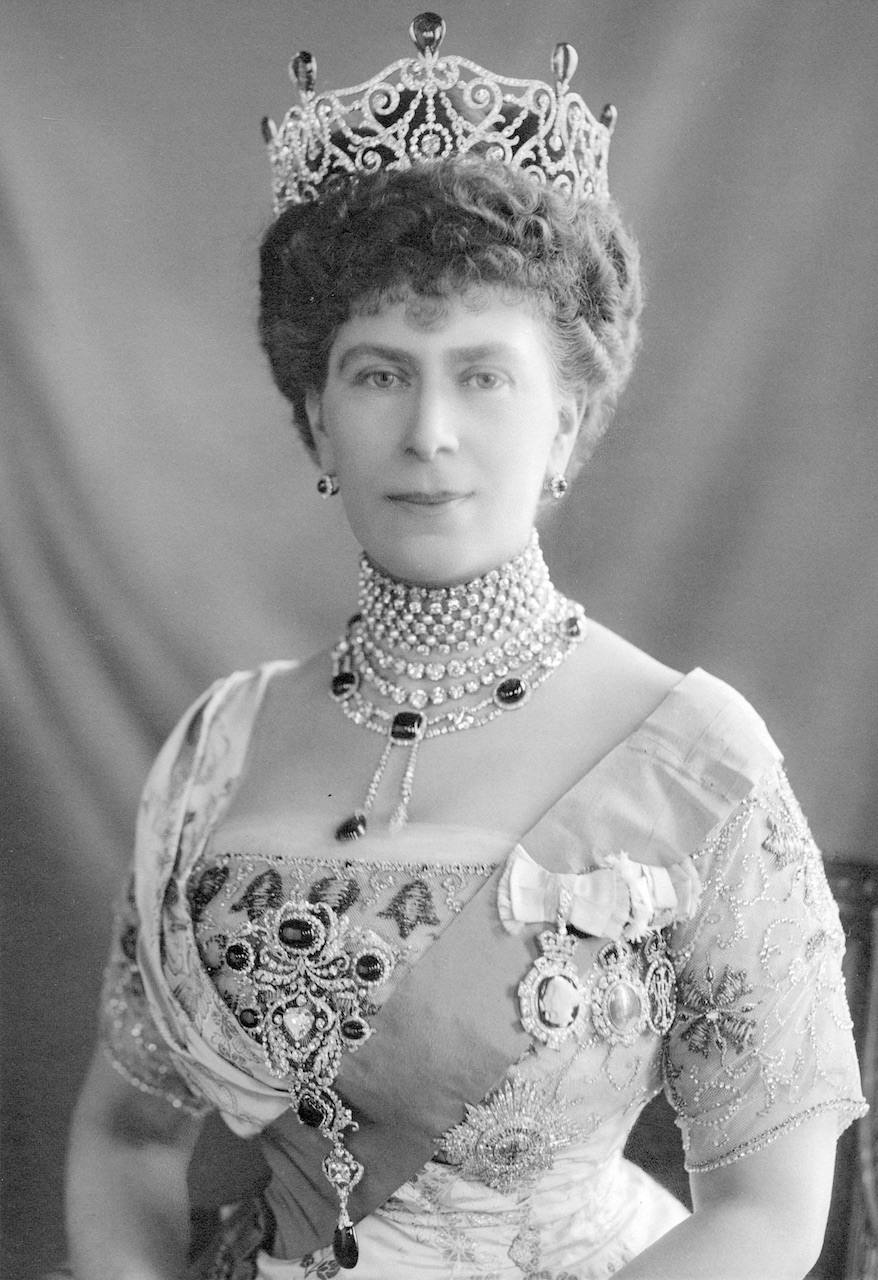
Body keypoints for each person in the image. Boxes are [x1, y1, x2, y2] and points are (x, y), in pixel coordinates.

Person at [65, 13, 866, 1280]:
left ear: (568, 420)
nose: (428, 430)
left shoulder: (692, 756)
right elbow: (127, 1140)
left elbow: (767, 1213)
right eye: (379, 374)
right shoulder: (220, 745)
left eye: (482, 375)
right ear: (315, 417)